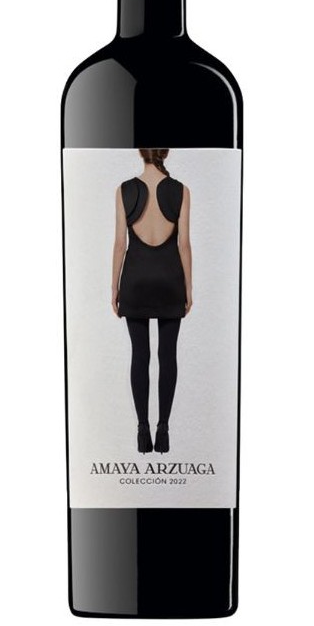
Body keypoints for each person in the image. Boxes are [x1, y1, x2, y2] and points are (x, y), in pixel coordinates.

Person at [112, 148, 192, 453]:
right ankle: (164, 430)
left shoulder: (124, 190)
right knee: (167, 355)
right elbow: (184, 244)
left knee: (140, 355)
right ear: (165, 153)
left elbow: (120, 243)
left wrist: (114, 287)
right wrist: (188, 287)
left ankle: (142, 430)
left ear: (140, 152)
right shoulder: (181, 191)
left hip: (135, 280)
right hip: (170, 280)